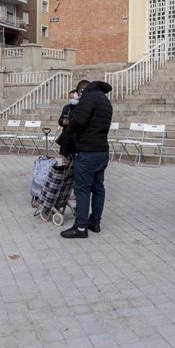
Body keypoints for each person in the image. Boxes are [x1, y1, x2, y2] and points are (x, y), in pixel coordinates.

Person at [61, 80, 113, 239]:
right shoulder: (105, 100)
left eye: (78, 93)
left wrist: (69, 130)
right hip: (102, 150)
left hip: (87, 151)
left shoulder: (88, 98)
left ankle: (81, 227)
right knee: (98, 187)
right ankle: (95, 222)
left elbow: (79, 121)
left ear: (82, 90)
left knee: (82, 189)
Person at [57, 89, 79, 158]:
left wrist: (71, 121)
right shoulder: (67, 107)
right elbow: (60, 120)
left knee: (75, 157)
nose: (72, 99)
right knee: (65, 157)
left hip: (76, 136)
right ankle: (66, 167)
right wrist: (63, 122)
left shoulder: (81, 107)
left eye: (73, 98)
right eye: (70, 98)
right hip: (66, 135)